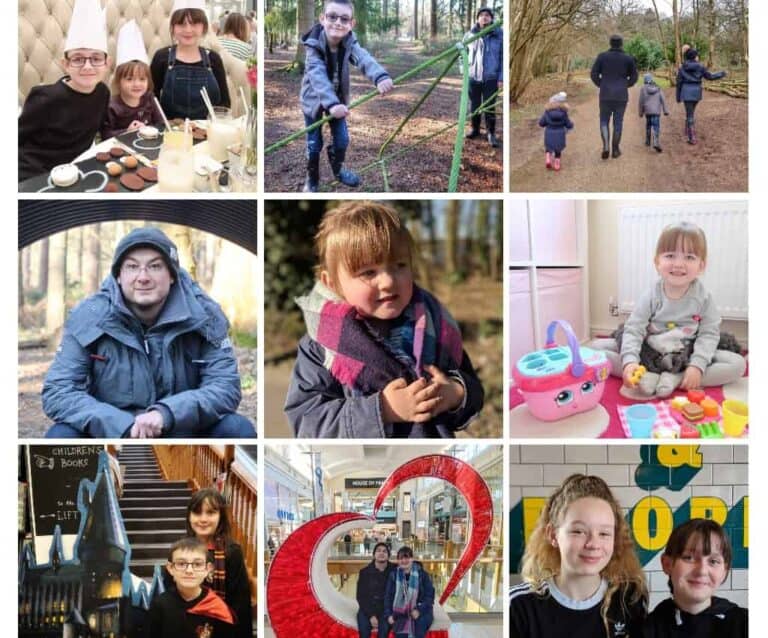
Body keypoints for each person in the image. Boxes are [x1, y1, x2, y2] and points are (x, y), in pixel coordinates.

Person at [284, 202, 484, 438]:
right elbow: (307, 422)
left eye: (400, 266)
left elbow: (473, 389)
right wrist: (383, 410)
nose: (388, 281)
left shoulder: (435, 325)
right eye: (368, 272)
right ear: (332, 283)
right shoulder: (321, 345)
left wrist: (456, 394)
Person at [42, 227, 255, 438]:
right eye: (132, 267)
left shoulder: (205, 315)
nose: (143, 277)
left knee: (236, 429)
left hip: (184, 429)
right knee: (60, 436)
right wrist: (120, 424)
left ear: (172, 275)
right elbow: (59, 390)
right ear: (118, 275)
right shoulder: (88, 317)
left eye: (155, 266)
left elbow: (225, 387)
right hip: (112, 433)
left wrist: (167, 414)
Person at [589, 222, 746, 397]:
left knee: (738, 365)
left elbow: (709, 333)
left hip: (685, 355)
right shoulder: (652, 295)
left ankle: (678, 378)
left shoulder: (704, 298)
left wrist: (697, 365)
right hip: (649, 352)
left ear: (701, 266)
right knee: (594, 349)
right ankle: (644, 374)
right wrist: (630, 362)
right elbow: (634, 328)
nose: (678, 264)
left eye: (689, 257)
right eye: (670, 255)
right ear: (657, 262)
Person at [509, 474, 648, 638]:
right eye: (578, 531)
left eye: (604, 533)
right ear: (553, 535)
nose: (593, 544)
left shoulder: (629, 599)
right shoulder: (517, 606)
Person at [299, 0, 395, 192]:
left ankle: (337, 169)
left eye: (344, 19)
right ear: (322, 19)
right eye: (332, 17)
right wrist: (331, 104)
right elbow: (317, 76)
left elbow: (363, 58)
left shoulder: (349, 42)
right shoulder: (313, 45)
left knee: (342, 140)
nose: (338, 22)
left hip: (338, 103)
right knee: (314, 144)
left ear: (352, 24)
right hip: (313, 101)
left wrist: (380, 76)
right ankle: (312, 177)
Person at [18, 0, 110, 181]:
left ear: (107, 64)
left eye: (96, 58)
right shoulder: (45, 97)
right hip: (36, 171)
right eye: (78, 59)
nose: (87, 66)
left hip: (78, 167)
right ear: (65, 64)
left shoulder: (103, 93)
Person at [642, 519, 748, 637]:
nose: (702, 571)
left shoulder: (745, 624)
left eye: (713, 561)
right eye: (689, 558)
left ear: (724, 571)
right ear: (667, 564)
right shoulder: (647, 630)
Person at [176, 488, 254, 638]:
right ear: (189, 516)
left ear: (221, 516)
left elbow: (240, 603)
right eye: (197, 513)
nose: (203, 519)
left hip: (222, 628)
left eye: (210, 513)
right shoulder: (180, 550)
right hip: (185, 626)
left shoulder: (232, 552)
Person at [151, 0, 231, 120]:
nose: (188, 30)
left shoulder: (214, 59)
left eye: (194, 23)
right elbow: (152, 99)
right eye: (181, 24)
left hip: (207, 128)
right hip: (170, 128)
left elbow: (224, 103)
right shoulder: (161, 57)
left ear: (204, 27)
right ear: (173, 28)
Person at [150, 537, 235, 638]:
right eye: (181, 564)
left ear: (208, 569)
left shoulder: (218, 608)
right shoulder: (159, 604)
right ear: (170, 568)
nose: (189, 570)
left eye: (197, 564)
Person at [101, 20, 163, 140]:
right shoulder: (112, 106)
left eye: (142, 79)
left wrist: (147, 128)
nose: (137, 84)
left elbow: (161, 124)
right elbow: (105, 135)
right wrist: (127, 131)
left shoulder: (149, 98)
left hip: (149, 145)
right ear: (119, 81)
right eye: (129, 79)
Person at [590, 34, 638, 159]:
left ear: (610, 43)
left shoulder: (602, 57)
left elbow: (593, 74)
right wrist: (626, 85)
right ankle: (615, 150)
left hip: (605, 94)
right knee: (618, 122)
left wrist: (601, 84)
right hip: (621, 95)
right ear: (621, 44)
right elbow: (634, 76)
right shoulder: (628, 58)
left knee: (604, 120)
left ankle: (606, 146)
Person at [464, 7, 503, 148]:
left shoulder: (500, 34)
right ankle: (475, 129)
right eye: (481, 15)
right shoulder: (469, 35)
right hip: (473, 77)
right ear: (477, 18)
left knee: (489, 106)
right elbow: (462, 55)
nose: (484, 17)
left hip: (491, 77)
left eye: (487, 15)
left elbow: (503, 58)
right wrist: (464, 71)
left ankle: (491, 133)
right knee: (474, 105)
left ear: (491, 18)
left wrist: (501, 78)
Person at [676, 48, 727, 145]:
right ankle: (688, 130)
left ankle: (692, 137)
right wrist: (722, 74)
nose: (698, 57)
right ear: (695, 57)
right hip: (696, 93)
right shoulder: (700, 66)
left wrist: (678, 97)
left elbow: (679, 82)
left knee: (689, 114)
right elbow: (710, 77)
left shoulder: (682, 67)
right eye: (697, 55)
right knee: (691, 112)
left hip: (686, 92)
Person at [384, 546, 434, 638]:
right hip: (400, 611)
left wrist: (419, 610)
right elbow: (388, 597)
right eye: (401, 558)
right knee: (400, 631)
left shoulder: (422, 574)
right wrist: (388, 615)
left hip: (421, 610)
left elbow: (429, 596)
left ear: (412, 559)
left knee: (419, 627)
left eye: (406, 557)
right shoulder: (393, 575)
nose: (404, 561)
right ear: (398, 561)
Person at [357, 542, 396, 638]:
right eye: (378, 551)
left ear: (388, 555)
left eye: (384, 551)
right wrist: (371, 615)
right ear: (374, 554)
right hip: (368, 608)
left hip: (386, 609)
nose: (381, 553)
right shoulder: (364, 572)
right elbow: (361, 596)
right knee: (364, 633)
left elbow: (410, 564)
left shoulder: (395, 570)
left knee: (383, 633)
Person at [538, 91, 573, 171]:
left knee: (548, 146)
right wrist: (571, 125)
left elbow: (541, 123)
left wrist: (544, 124)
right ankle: (557, 163)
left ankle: (548, 158)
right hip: (560, 133)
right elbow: (568, 124)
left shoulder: (547, 112)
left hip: (549, 132)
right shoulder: (564, 113)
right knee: (558, 149)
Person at [638, 72, 669, 152]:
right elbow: (663, 99)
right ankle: (655, 142)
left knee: (648, 126)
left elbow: (641, 101)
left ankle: (648, 141)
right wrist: (665, 110)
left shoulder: (643, 88)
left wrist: (640, 112)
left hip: (648, 111)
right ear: (652, 79)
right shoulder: (658, 88)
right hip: (656, 111)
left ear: (644, 80)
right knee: (656, 127)